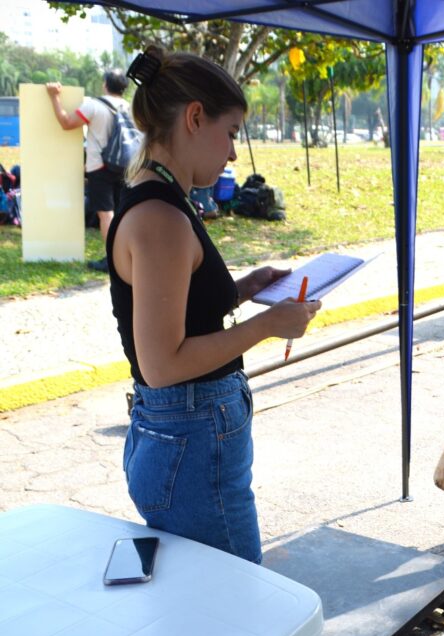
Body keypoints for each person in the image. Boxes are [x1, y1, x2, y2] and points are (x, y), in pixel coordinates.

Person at [110, 46, 321, 564]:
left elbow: (181, 306)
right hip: (189, 436)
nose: (232, 155)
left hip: (184, 436)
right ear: (195, 117)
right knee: (234, 609)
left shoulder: (163, 196)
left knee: (205, 601)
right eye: (230, 133)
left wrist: (244, 288)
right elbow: (163, 365)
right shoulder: (160, 215)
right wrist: (268, 325)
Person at [46, 70, 132, 272]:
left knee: (106, 215)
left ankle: (113, 260)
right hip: (127, 165)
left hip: (100, 166)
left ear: (105, 85)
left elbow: (67, 123)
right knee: (122, 213)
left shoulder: (94, 105)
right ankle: (126, 257)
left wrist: (54, 97)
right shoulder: (129, 107)